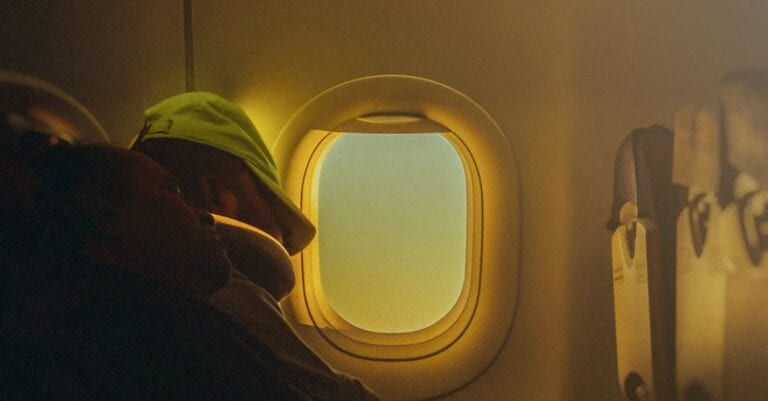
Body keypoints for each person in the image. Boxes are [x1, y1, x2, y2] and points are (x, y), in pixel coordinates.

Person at [0, 127, 313, 400]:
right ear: (103, 213)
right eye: (171, 190)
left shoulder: (137, 316)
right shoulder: (153, 334)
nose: (205, 216)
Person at [131, 92, 379, 401]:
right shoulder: (220, 287)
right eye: (275, 212)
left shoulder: (130, 282)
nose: (285, 243)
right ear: (217, 196)